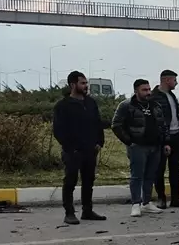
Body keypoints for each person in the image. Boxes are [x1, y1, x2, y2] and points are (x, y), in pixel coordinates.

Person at [52, 71, 106, 225]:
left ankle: (87, 211)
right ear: (72, 85)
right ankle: (69, 213)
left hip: (91, 149)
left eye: (86, 83)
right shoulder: (63, 106)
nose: (86, 86)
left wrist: (99, 142)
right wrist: (70, 147)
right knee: (70, 180)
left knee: (88, 181)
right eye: (82, 83)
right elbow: (58, 130)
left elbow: (98, 123)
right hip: (73, 151)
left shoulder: (91, 103)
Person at [113, 79, 168, 217]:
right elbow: (116, 125)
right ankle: (135, 204)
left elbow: (162, 124)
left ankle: (146, 202)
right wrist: (129, 141)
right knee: (137, 176)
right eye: (144, 90)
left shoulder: (155, 105)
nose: (148, 92)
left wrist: (165, 142)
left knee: (150, 175)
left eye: (149, 89)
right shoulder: (127, 106)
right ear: (136, 91)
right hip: (138, 146)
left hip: (155, 146)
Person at [151, 69, 179, 209]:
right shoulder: (154, 97)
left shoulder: (171, 96)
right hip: (162, 138)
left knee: (175, 168)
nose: (176, 83)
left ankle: (175, 198)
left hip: (177, 136)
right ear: (167, 80)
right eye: (174, 80)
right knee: (159, 168)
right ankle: (161, 198)